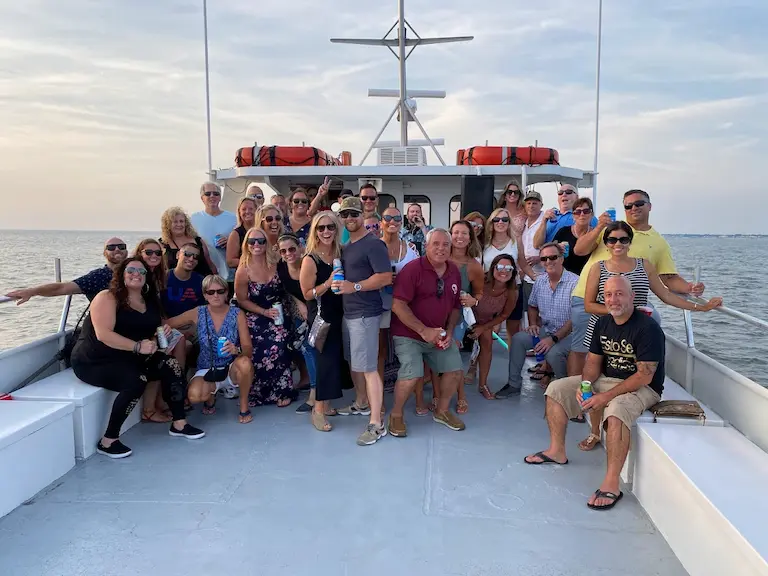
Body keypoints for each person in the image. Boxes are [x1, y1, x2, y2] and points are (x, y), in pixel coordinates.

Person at [524, 276, 666, 511]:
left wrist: (605, 397)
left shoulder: (648, 328)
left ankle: (612, 483)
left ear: (632, 297)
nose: (613, 299)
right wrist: (586, 385)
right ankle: (557, 451)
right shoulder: (602, 323)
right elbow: (592, 362)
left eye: (619, 294)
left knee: (616, 411)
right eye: (608, 295)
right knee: (555, 389)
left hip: (642, 387)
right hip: (606, 379)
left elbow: (644, 376)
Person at [577, 221, 723, 451]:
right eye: (612, 239)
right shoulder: (598, 267)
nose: (617, 243)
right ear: (606, 243)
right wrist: (620, 312)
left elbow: (666, 295)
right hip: (605, 330)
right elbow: (589, 305)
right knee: (597, 380)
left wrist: (700, 308)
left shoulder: (644, 265)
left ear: (630, 241)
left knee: (632, 376)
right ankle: (594, 432)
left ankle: (620, 415)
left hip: (638, 333)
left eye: (623, 239)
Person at [70, 257, 205, 458]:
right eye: (131, 270)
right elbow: (103, 334)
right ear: (121, 275)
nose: (137, 274)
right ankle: (108, 441)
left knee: (170, 365)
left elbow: (153, 332)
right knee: (136, 380)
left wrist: (160, 335)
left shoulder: (149, 300)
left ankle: (179, 423)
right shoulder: (107, 297)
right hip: (95, 360)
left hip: (129, 356)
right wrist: (137, 346)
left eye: (142, 272)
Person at [568, 189, 706, 378]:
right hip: (587, 299)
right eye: (628, 205)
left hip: (625, 307)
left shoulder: (659, 243)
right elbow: (579, 250)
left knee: (620, 353)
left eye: (639, 204)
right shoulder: (611, 229)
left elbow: (668, 279)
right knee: (581, 351)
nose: (633, 208)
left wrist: (690, 288)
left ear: (649, 206)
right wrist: (599, 226)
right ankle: (576, 391)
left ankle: (626, 387)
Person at [388, 229, 466, 437]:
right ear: (426, 246)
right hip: (408, 333)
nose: (441, 248)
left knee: (455, 370)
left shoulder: (454, 271)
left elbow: (455, 307)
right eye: (436, 244)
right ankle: (396, 414)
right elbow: (397, 305)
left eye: (445, 244)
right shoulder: (413, 270)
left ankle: (442, 411)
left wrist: (449, 332)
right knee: (412, 373)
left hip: (438, 333)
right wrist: (423, 331)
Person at [332, 196, 393, 446]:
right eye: (345, 214)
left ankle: (377, 423)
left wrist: (354, 286)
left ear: (363, 215)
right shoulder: (346, 247)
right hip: (350, 313)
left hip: (366, 314)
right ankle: (361, 403)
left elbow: (385, 277)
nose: (349, 218)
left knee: (369, 369)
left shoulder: (374, 244)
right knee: (355, 363)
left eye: (354, 214)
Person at [166, 274, 254, 423]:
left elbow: (248, 349)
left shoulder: (237, 314)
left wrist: (236, 350)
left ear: (227, 293)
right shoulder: (198, 312)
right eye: (211, 292)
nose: (216, 295)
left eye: (220, 291)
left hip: (230, 367)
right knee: (194, 396)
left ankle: (244, 406)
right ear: (205, 295)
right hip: (207, 368)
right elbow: (168, 323)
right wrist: (171, 331)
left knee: (245, 363)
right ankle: (211, 397)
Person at [496, 242, 577, 397]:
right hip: (548, 331)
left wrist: (553, 339)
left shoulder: (575, 282)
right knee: (518, 339)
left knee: (553, 353)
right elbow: (532, 305)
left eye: (553, 257)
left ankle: (564, 388)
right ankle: (513, 384)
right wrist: (533, 324)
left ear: (561, 259)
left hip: (571, 335)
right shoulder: (540, 281)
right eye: (544, 259)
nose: (548, 262)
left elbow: (575, 318)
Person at [235, 228, 297, 407]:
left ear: (266, 243)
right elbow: (242, 300)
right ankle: (260, 393)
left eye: (261, 241)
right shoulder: (243, 270)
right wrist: (263, 312)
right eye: (252, 241)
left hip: (280, 312)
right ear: (246, 244)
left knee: (282, 342)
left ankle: (282, 391)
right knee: (265, 346)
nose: (257, 244)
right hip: (256, 314)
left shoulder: (277, 261)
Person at [300, 213, 346, 431]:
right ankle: (317, 410)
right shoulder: (310, 259)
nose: (326, 232)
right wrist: (328, 283)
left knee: (335, 360)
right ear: (315, 232)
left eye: (330, 227)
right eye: (321, 228)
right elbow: (307, 293)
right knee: (325, 361)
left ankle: (326, 404)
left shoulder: (339, 253)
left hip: (340, 314)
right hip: (322, 317)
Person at [5, 237, 127, 304]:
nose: (117, 249)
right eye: (111, 247)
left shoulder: (134, 273)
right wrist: (32, 291)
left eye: (121, 247)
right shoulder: (97, 277)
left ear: (126, 251)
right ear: (104, 253)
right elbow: (61, 288)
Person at [444, 219, 484, 414]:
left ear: (470, 238)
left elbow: (480, 293)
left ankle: (461, 396)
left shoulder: (474, 266)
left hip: (458, 318)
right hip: (435, 314)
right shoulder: (439, 257)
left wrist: (473, 301)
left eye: (464, 233)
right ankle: (437, 394)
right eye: (456, 232)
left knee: (453, 357)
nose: (459, 236)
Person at [379, 207, 419, 399]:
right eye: (387, 217)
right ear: (381, 222)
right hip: (380, 304)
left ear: (401, 223)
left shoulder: (411, 249)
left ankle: (411, 391)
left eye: (396, 218)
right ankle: (379, 395)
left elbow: (418, 278)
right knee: (381, 349)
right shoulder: (374, 247)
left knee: (408, 347)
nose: (392, 221)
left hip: (405, 305)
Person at [467, 254, 519, 402]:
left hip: (485, 321)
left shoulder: (512, 292)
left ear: (513, 271)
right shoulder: (481, 280)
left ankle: (482, 384)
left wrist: (483, 328)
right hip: (466, 316)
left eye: (508, 268)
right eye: (500, 267)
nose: (504, 271)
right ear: (493, 268)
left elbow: (504, 315)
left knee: (487, 343)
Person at [276, 233, 318, 413]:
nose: (288, 254)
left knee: (316, 349)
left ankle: (317, 393)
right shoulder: (281, 268)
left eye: (292, 249)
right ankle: (315, 391)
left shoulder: (309, 262)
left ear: (300, 248)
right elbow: (287, 290)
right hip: (299, 312)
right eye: (283, 251)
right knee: (306, 348)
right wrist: (298, 302)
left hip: (318, 309)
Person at [482, 207, 536, 342]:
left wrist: (537, 278)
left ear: (509, 222)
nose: (500, 222)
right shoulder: (484, 243)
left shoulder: (516, 241)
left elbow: (523, 263)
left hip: (513, 289)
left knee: (513, 330)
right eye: (496, 219)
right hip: (490, 291)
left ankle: (513, 356)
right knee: (488, 331)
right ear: (491, 222)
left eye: (505, 219)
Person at [191, 182, 237, 293]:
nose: (212, 196)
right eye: (208, 194)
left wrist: (230, 242)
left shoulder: (233, 218)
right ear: (202, 198)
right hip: (204, 273)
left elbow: (241, 241)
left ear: (220, 197)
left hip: (229, 274)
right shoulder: (193, 219)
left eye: (216, 194)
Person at [534, 183, 598, 245]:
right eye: (560, 193)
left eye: (568, 192)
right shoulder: (549, 217)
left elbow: (599, 239)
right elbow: (537, 244)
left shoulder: (585, 215)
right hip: (548, 252)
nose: (564, 194)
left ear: (577, 197)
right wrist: (544, 221)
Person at [159, 207, 215, 276]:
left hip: (202, 280)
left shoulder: (198, 240)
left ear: (186, 223)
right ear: (168, 224)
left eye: (181, 221)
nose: (179, 224)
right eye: (175, 222)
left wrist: (216, 277)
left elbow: (210, 263)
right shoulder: (162, 244)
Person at [552, 197, 597, 275]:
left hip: (588, 276)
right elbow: (551, 251)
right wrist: (558, 249)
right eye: (578, 212)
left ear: (592, 214)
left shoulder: (596, 234)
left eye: (586, 211)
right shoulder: (564, 231)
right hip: (564, 276)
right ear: (573, 215)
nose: (582, 214)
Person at [162, 243, 205, 318]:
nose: (191, 259)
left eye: (196, 257)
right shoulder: (163, 278)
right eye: (187, 254)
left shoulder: (202, 281)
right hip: (167, 323)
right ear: (178, 255)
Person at [226, 197, 258, 270]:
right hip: (245, 273)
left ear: (256, 211)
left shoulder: (263, 231)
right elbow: (230, 261)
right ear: (239, 213)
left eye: (251, 209)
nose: (247, 211)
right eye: (244, 209)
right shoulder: (235, 234)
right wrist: (253, 263)